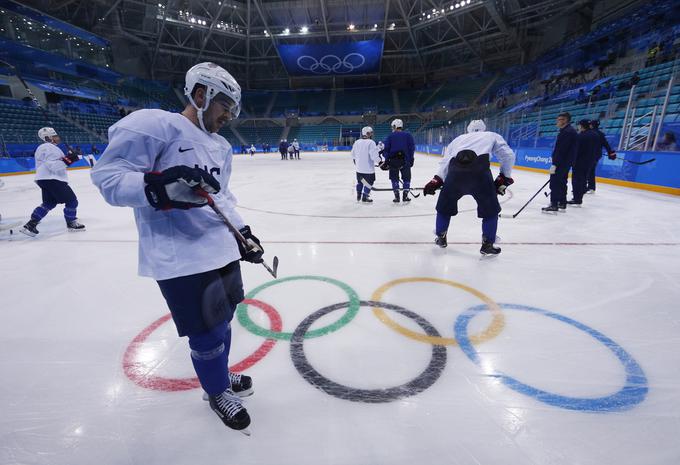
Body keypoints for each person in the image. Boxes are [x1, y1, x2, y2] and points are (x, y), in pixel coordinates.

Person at [91, 62, 263, 435]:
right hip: (180, 257)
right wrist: (157, 188)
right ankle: (216, 391)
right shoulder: (156, 125)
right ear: (201, 96)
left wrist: (244, 233)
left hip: (221, 248)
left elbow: (223, 196)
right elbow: (108, 178)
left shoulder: (221, 146)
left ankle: (218, 375)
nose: (227, 116)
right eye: (224, 107)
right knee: (205, 333)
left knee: (225, 317)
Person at [423, 119, 515, 255]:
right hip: (480, 175)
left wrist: (437, 180)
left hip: (455, 174)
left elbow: (446, 161)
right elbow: (508, 155)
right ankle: (488, 244)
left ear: (468, 129)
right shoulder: (491, 135)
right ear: (483, 128)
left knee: (444, 206)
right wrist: (504, 176)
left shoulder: (458, 139)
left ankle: (441, 237)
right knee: (490, 210)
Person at [20, 127, 85, 236]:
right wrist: (71, 158)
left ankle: (30, 225)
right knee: (72, 201)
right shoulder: (48, 147)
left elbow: (57, 163)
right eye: (55, 136)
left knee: (49, 203)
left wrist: (71, 157)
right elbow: (54, 166)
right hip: (53, 179)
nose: (58, 137)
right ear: (48, 138)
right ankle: (71, 223)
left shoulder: (47, 148)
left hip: (45, 179)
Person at [542, 112, 578, 213]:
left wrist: (555, 164)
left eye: (559, 120)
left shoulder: (567, 132)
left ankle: (554, 204)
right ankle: (562, 202)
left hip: (561, 163)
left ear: (565, 120)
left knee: (555, 183)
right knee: (562, 182)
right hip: (565, 163)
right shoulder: (568, 131)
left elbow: (561, 150)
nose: (557, 122)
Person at [381, 119, 415, 203]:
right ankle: (405, 196)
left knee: (394, 179)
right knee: (407, 178)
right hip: (406, 161)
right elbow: (412, 148)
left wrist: (386, 160)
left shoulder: (390, 136)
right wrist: (411, 159)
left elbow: (386, 149)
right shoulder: (408, 135)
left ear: (395, 126)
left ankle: (397, 197)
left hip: (393, 161)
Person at [568, 120, 600, 206]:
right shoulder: (595, 134)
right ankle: (579, 197)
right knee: (583, 179)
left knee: (577, 180)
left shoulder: (581, 136)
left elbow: (577, 150)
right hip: (591, 161)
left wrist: (571, 160)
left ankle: (577, 199)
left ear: (582, 126)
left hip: (580, 162)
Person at [351, 126, 380, 203]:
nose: (371, 134)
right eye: (370, 133)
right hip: (368, 170)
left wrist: (356, 164)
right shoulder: (371, 142)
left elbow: (353, 154)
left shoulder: (356, 142)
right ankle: (365, 196)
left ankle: (358, 195)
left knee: (360, 182)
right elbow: (374, 156)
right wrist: (380, 162)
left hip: (359, 169)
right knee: (369, 182)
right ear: (367, 133)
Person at [588, 120, 616, 193]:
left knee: (589, 170)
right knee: (591, 170)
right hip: (597, 154)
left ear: (592, 125)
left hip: (590, 154)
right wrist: (610, 152)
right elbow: (606, 144)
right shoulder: (600, 134)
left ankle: (591, 187)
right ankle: (590, 187)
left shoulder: (590, 133)